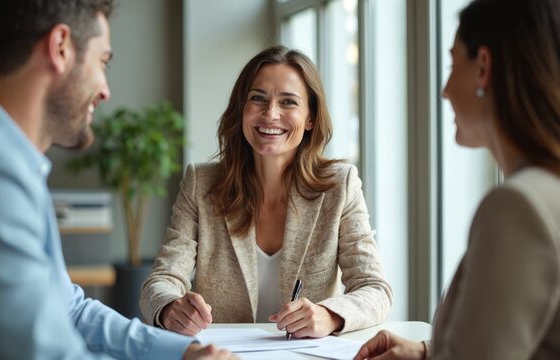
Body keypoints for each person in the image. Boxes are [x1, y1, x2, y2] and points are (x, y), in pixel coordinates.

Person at [0, 1, 235, 359]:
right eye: (102, 61)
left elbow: (70, 310)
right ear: (60, 47)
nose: (105, 90)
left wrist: (184, 353)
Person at [353, 0, 560, 359]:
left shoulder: (518, 206)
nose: (445, 89)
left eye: (452, 65)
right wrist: (425, 353)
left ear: (483, 68)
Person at [140, 45, 393, 338]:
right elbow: (161, 280)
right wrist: (170, 307)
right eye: (258, 99)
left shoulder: (340, 185)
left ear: (310, 118)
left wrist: (330, 315)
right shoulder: (201, 184)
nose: (271, 114)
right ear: (241, 109)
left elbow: (375, 289)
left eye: (288, 102)